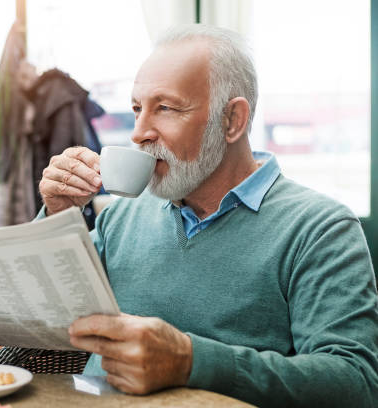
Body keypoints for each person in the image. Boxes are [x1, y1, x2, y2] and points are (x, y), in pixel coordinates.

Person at [37, 24, 378, 407]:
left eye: (165, 108)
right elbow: (39, 312)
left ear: (232, 120)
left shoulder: (320, 229)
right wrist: (57, 217)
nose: (139, 133)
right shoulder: (124, 216)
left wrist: (191, 361)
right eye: (137, 109)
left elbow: (355, 383)